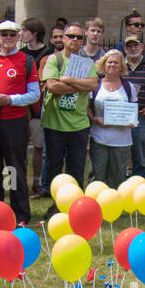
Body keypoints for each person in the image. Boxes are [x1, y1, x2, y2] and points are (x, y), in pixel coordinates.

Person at [0, 20, 40, 224]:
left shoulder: (26, 60)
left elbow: (34, 94)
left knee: (13, 170)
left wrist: (9, 99)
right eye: (4, 34)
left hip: (14, 123)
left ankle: (19, 214)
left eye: (12, 34)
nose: (8, 38)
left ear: (18, 36)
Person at [41, 22, 99, 188]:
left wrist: (69, 80)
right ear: (63, 38)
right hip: (55, 124)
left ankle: (75, 205)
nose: (75, 39)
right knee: (54, 168)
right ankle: (55, 203)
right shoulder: (54, 59)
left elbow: (94, 86)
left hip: (78, 125)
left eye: (79, 37)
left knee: (76, 168)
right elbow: (52, 86)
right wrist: (81, 85)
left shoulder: (87, 62)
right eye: (71, 36)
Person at [88, 49, 136, 187]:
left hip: (121, 140)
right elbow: (87, 108)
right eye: (109, 62)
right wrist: (95, 119)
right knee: (97, 177)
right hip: (99, 137)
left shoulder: (129, 87)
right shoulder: (96, 85)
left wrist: (133, 121)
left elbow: (133, 110)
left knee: (117, 178)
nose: (112, 65)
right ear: (104, 64)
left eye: (116, 63)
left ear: (121, 66)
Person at [21, 18, 51, 196]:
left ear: (34, 33)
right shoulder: (20, 53)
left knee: (39, 146)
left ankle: (37, 182)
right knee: (20, 148)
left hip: (38, 107)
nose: (21, 34)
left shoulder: (48, 54)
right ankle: (18, 184)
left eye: (25, 31)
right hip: (22, 107)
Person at [123, 34, 145, 182]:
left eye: (136, 45)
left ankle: (139, 180)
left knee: (139, 151)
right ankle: (123, 179)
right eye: (129, 46)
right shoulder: (120, 65)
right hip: (122, 116)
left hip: (143, 115)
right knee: (122, 149)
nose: (133, 48)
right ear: (125, 48)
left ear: (142, 46)